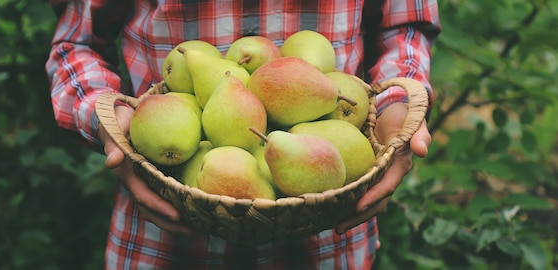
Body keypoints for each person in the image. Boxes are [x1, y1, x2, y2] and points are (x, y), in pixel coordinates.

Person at [46, 0, 440, 269]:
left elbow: (404, 25)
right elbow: (76, 42)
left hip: (331, 238)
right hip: (164, 235)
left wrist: (396, 103)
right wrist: (110, 120)